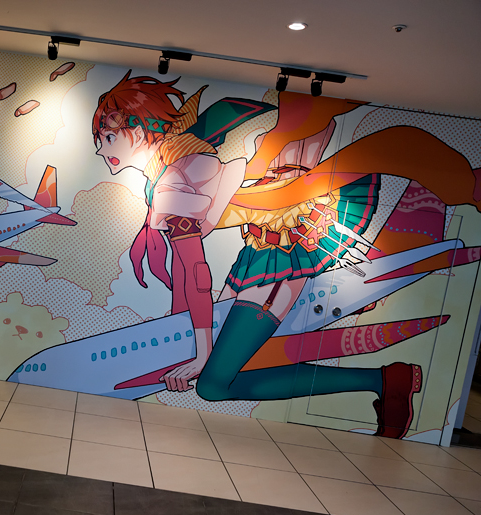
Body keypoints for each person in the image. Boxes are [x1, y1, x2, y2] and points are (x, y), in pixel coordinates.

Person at [92, 71, 437, 438]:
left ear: (139, 131)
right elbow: (186, 268)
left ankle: (384, 381)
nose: (101, 149)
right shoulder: (170, 167)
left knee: (213, 384)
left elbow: (195, 272)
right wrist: (185, 334)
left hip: (284, 248)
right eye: (100, 139)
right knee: (226, 373)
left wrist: (200, 353)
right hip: (260, 247)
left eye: (109, 136)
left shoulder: (170, 183)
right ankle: (386, 380)